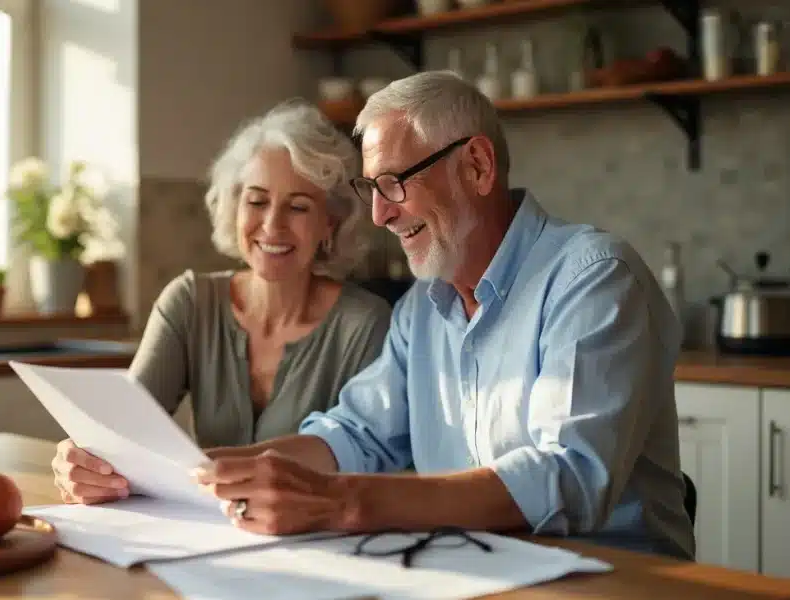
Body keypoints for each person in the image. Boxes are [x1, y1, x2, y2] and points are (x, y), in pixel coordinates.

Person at [193, 71, 696, 561]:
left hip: (615, 582)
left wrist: (344, 501)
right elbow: (356, 434)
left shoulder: (593, 277)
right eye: (371, 189)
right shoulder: (422, 310)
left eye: (393, 183)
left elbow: (569, 475)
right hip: (475, 574)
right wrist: (208, 471)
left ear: (476, 165)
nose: (379, 216)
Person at [51, 101, 393, 505]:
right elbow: (121, 438)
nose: (272, 225)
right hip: (203, 536)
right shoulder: (190, 301)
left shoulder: (366, 324)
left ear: (330, 224)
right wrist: (83, 462)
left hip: (317, 542)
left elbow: (369, 469)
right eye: (256, 200)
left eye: (298, 206)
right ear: (234, 206)